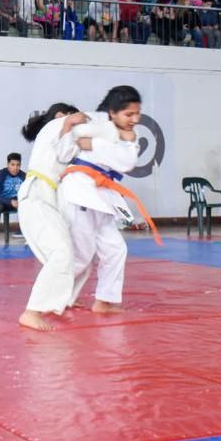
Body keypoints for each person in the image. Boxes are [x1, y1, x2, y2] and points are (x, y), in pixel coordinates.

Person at [16, 102, 117, 331]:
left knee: (81, 252)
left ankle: (67, 298)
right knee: (61, 253)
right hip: (36, 196)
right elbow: (79, 119)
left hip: (51, 199)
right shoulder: (53, 126)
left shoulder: (65, 140)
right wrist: (111, 118)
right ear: (61, 115)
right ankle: (32, 311)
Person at [61, 86, 147, 315]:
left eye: (137, 113)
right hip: (80, 192)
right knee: (81, 256)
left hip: (101, 195)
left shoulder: (126, 135)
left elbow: (127, 162)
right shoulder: (94, 123)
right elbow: (75, 143)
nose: (135, 120)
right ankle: (52, 299)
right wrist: (117, 141)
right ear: (112, 112)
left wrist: (100, 143)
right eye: (129, 114)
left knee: (115, 249)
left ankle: (104, 301)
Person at [0, 153, 25, 246]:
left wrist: (21, 201)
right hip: (1, 201)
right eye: (12, 165)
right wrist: (10, 201)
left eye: (18, 165)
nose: (15, 168)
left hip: (16, 201)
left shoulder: (23, 176)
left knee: (29, 205)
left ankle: (27, 234)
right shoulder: (0, 175)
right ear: (8, 164)